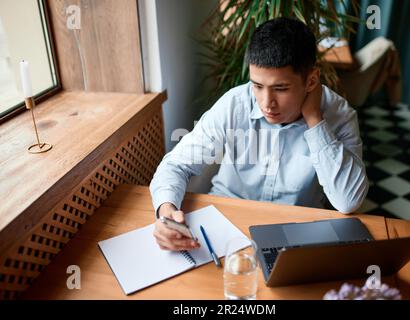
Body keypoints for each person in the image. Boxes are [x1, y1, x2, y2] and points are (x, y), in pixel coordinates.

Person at [150, 17, 369, 251]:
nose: (266, 104)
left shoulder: (340, 116)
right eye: (257, 85)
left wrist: (314, 120)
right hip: (225, 223)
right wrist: (166, 211)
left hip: (294, 233)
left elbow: (348, 201)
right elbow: (176, 165)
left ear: (311, 81)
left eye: (280, 88)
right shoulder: (234, 103)